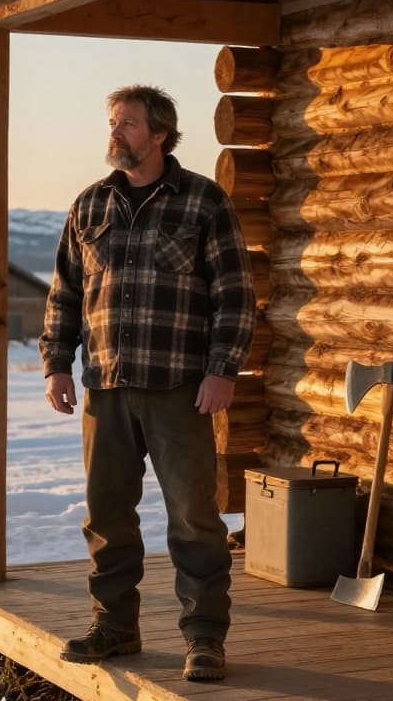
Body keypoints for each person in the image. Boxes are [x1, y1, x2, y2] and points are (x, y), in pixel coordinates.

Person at [39, 85, 256, 682]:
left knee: (193, 518)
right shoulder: (89, 207)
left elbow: (235, 297)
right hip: (106, 387)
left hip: (180, 390)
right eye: (112, 122)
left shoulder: (202, 203)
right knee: (106, 513)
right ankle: (115, 627)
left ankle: (205, 638)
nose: (116, 132)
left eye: (128, 124)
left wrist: (221, 370)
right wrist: (57, 363)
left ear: (160, 134)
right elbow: (63, 294)